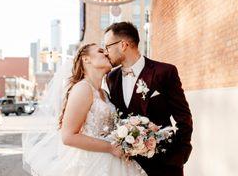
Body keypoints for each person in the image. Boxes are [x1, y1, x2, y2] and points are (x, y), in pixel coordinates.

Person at [22, 43, 147, 176]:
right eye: (100, 51)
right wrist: (110, 147)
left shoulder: (104, 93)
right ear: (86, 59)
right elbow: (68, 136)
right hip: (90, 164)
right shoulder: (83, 88)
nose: (106, 53)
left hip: (114, 161)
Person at [105, 22, 193, 176]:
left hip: (164, 164)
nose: (106, 52)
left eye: (108, 47)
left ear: (123, 44)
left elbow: (184, 117)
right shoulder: (111, 78)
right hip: (127, 166)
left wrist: (179, 155)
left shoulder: (164, 72)